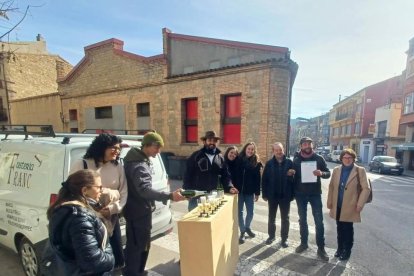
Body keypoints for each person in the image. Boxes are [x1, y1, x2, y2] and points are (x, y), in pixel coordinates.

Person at [122, 131, 186, 276]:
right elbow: (144, 190)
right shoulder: (139, 165)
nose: (158, 152)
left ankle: (136, 271)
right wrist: (169, 195)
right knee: (140, 245)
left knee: (136, 244)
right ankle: (134, 272)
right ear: (147, 146)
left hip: (134, 210)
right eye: (157, 148)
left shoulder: (136, 159)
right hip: (139, 212)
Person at [70, 133, 127, 269]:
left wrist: (113, 209)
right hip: (88, 221)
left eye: (119, 149)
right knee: (96, 259)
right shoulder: (82, 164)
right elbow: (71, 191)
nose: (117, 151)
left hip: (111, 219)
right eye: (113, 147)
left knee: (116, 257)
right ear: (101, 147)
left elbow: (124, 192)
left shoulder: (117, 166)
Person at [47, 169, 114, 275]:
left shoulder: (64, 209)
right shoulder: (80, 217)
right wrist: (110, 258)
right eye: (99, 187)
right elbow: (92, 262)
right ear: (84, 190)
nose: (102, 191)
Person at [327, 148, 371, 261]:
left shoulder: (359, 170)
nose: (347, 160)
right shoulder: (336, 170)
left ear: (353, 159)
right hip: (338, 204)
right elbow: (331, 186)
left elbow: (366, 188)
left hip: (351, 205)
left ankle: (347, 251)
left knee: (347, 229)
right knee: (339, 228)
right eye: (345, 157)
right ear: (341, 158)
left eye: (350, 158)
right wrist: (330, 201)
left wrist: (360, 204)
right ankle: (340, 248)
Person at [292, 137, 331, 261]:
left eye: (309, 143)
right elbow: (293, 175)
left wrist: (322, 173)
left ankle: (321, 248)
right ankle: (304, 243)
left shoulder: (319, 158)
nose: (307, 145)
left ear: (312, 145)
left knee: (319, 221)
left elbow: (328, 173)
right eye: (304, 144)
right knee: (302, 220)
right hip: (300, 194)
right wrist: (290, 173)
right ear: (301, 146)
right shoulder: (296, 159)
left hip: (315, 194)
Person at [183, 130, 238, 211]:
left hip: (213, 196)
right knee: (196, 221)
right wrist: (187, 192)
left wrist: (229, 187)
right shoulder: (195, 156)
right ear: (204, 142)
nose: (212, 143)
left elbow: (226, 175)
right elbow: (187, 175)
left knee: (209, 220)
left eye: (214, 141)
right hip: (196, 196)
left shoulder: (220, 158)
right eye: (209, 140)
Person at [262, 142, 295, 247]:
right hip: (272, 196)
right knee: (271, 217)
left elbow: (295, 179)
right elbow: (265, 180)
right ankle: (271, 236)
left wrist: (292, 194)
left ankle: (284, 239)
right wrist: (264, 194)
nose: (279, 152)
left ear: (283, 150)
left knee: (285, 218)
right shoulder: (269, 163)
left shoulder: (290, 162)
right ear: (273, 151)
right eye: (276, 150)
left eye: (280, 150)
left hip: (285, 196)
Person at [232, 141, 262, 244]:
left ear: (254, 151)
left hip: (250, 192)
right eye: (248, 149)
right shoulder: (238, 160)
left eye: (252, 149)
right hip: (239, 191)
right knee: (239, 212)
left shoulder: (256, 163)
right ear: (245, 149)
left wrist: (257, 193)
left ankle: (247, 227)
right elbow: (233, 175)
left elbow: (258, 179)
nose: (250, 151)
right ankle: (243, 232)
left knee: (250, 212)